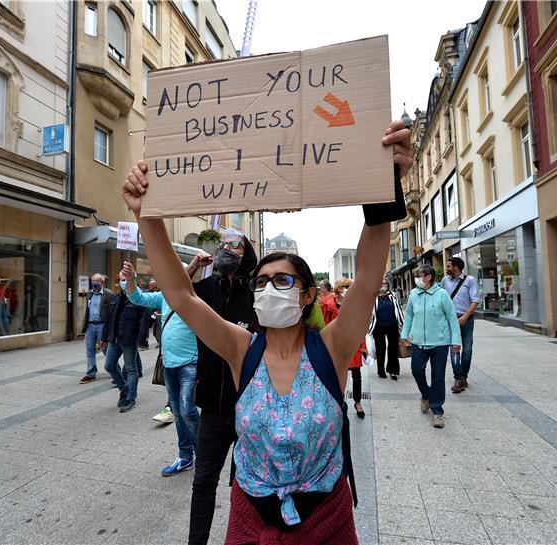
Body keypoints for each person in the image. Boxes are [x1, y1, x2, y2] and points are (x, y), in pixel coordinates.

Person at [120, 119, 412, 542]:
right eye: (261, 281)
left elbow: (367, 276)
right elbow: (182, 297)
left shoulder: (331, 348)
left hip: (326, 523)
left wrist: (385, 187)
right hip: (250, 520)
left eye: (282, 280)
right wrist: (145, 214)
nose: (268, 288)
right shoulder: (242, 349)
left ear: (309, 295)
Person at [184, 230, 259, 545]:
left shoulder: (255, 291)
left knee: (251, 485)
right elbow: (178, 294)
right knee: (203, 482)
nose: (227, 248)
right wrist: (192, 268)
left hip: (250, 407)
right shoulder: (208, 288)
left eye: (235, 245)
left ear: (246, 255)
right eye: (224, 244)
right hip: (213, 408)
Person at [123, 261, 200, 477]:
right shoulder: (163, 297)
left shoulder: (194, 297)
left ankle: (204, 452)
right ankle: (185, 457)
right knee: (177, 412)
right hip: (169, 364)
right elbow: (136, 297)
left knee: (187, 410)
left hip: (190, 363)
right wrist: (130, 279)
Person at [401, 265, 461, 429]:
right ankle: (426, 395)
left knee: (438, 376)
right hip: (418, 341)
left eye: (420, 276)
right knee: (416, 370)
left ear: (428, 277)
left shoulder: (442, 294)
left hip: (440, 343)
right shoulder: (414, 294)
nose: (417, 279)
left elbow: (452, 319)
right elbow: (409, 316)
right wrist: (404, 335)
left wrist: (456, 341)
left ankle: (437, 412)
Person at [320, 277, 366, 419]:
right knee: (337, 375)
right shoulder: (327, 305)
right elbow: (323, 326)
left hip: (352, 343)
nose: (347, 290)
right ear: (338, 289)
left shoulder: (355, 305)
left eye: (349, 287)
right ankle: (339, 402)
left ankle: (357, 402)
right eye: (344, 287)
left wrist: (363, 345)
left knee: (357, 375)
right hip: (336, 345)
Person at [101, 270, 145, 411]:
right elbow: (108, 319)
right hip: (114, 338)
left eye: (126, 279)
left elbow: (143, 322)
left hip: (129, 340)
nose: (124, 283)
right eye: (122, 280)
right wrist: (103, 337)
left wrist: (141, 340)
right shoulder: (115, 298)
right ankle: (124, 389)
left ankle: (130, 398)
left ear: (133, 280)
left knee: (131, 369)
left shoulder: (140, 298)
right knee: (109, 365)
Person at [440, 256, 479, 393]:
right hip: (451, 320)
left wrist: (465, 316)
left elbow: (475, 300)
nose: (446, 269)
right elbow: (440, 297)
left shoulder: (470, 281)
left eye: (448, 266)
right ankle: (458, 378)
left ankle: (463, 376)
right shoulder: (445, 281)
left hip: (467, 319)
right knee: (454, 349)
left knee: (467, 350)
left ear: (456, 267)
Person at [80, 273, 114, 384]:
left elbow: (113, 311)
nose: (95, 283)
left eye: (97, 281)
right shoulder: (89, 293)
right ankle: (91, 373)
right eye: (93, 281)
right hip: (90, 325)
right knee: (90, 349)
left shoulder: (108, 294)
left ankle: (115, 371)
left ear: (102, 283)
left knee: (105, 349)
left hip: (102, 325)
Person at [367, 283, 404, 380]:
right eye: (381, 283)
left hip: (393, 326)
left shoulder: (393, 295)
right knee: (380, 349)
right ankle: (381, 371)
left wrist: (403, 324)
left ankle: (393, 371)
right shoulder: (373, 296)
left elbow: (399, 310)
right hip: (378, 327)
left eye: (385, 283)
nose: (383, 285)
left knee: (393, 348)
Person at [138, 279, 159, 351]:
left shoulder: (159, 292)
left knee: (157, 329)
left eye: (151, 285)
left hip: (157, 313)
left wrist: (157, 311)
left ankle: (160, 342)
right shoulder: (147, 293)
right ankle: (145, 344)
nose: (150, 286)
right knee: (145, 329)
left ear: (155, 285)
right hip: (148, 314)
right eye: (149, 285)